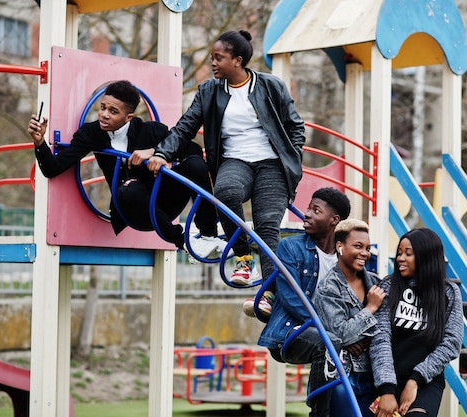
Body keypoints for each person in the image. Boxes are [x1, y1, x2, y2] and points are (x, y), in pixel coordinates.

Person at [130, 29, 305, 313]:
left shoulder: (271, 86)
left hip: (273, 164)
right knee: (224, 192)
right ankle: (244, 256)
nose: (212, 63)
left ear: (237, 60)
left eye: (218, 58)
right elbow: (185, 127)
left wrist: (293, 156)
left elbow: (295, 126)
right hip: (235, 160)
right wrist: (162, 153)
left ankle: (269, 296)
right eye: (212, 57)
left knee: (267, 227)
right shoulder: (209, 91)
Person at [27, 80, 226, 258]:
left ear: (128, 117)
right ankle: (182, 242)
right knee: (131, 186)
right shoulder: (91, 133)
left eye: (113, 111)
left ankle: (208, 234)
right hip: (131, 208)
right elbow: (53, 168)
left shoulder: (150, 131)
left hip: (164, 201)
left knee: (194, 164)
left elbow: (193, 150)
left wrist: (157, 153)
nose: (104, 115)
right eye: (102, 107)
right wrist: (39, 142)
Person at [258, 187, 351, 417]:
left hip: (329, 336)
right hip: (288, 335)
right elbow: (291, 297)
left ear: (333, 220)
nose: (307, 214)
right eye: (309, 208)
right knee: (328, 342)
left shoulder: (344, 259)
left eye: (315, 210)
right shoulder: (291, 247)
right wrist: (327, 326)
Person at [369, 228, 463, 417]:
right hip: (386, 380)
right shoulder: (387, 287)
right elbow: (380, 340)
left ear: (426, 256)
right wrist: (387, 389)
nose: (400, 258)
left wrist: (415, 380)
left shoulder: (448, 293)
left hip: (426, 381)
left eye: (408, 254)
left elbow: (452, 343)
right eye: (399, 253)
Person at [313, 218, 385, 417]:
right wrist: (370, 308)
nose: (365, 253)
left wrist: (360, 337)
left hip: (374, 375)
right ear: (340, 247)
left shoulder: (376, 284)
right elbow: (340, 334)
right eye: (358, 246)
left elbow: (386, 328)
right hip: (343, 376)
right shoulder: (329, 287)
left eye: (368, 248)